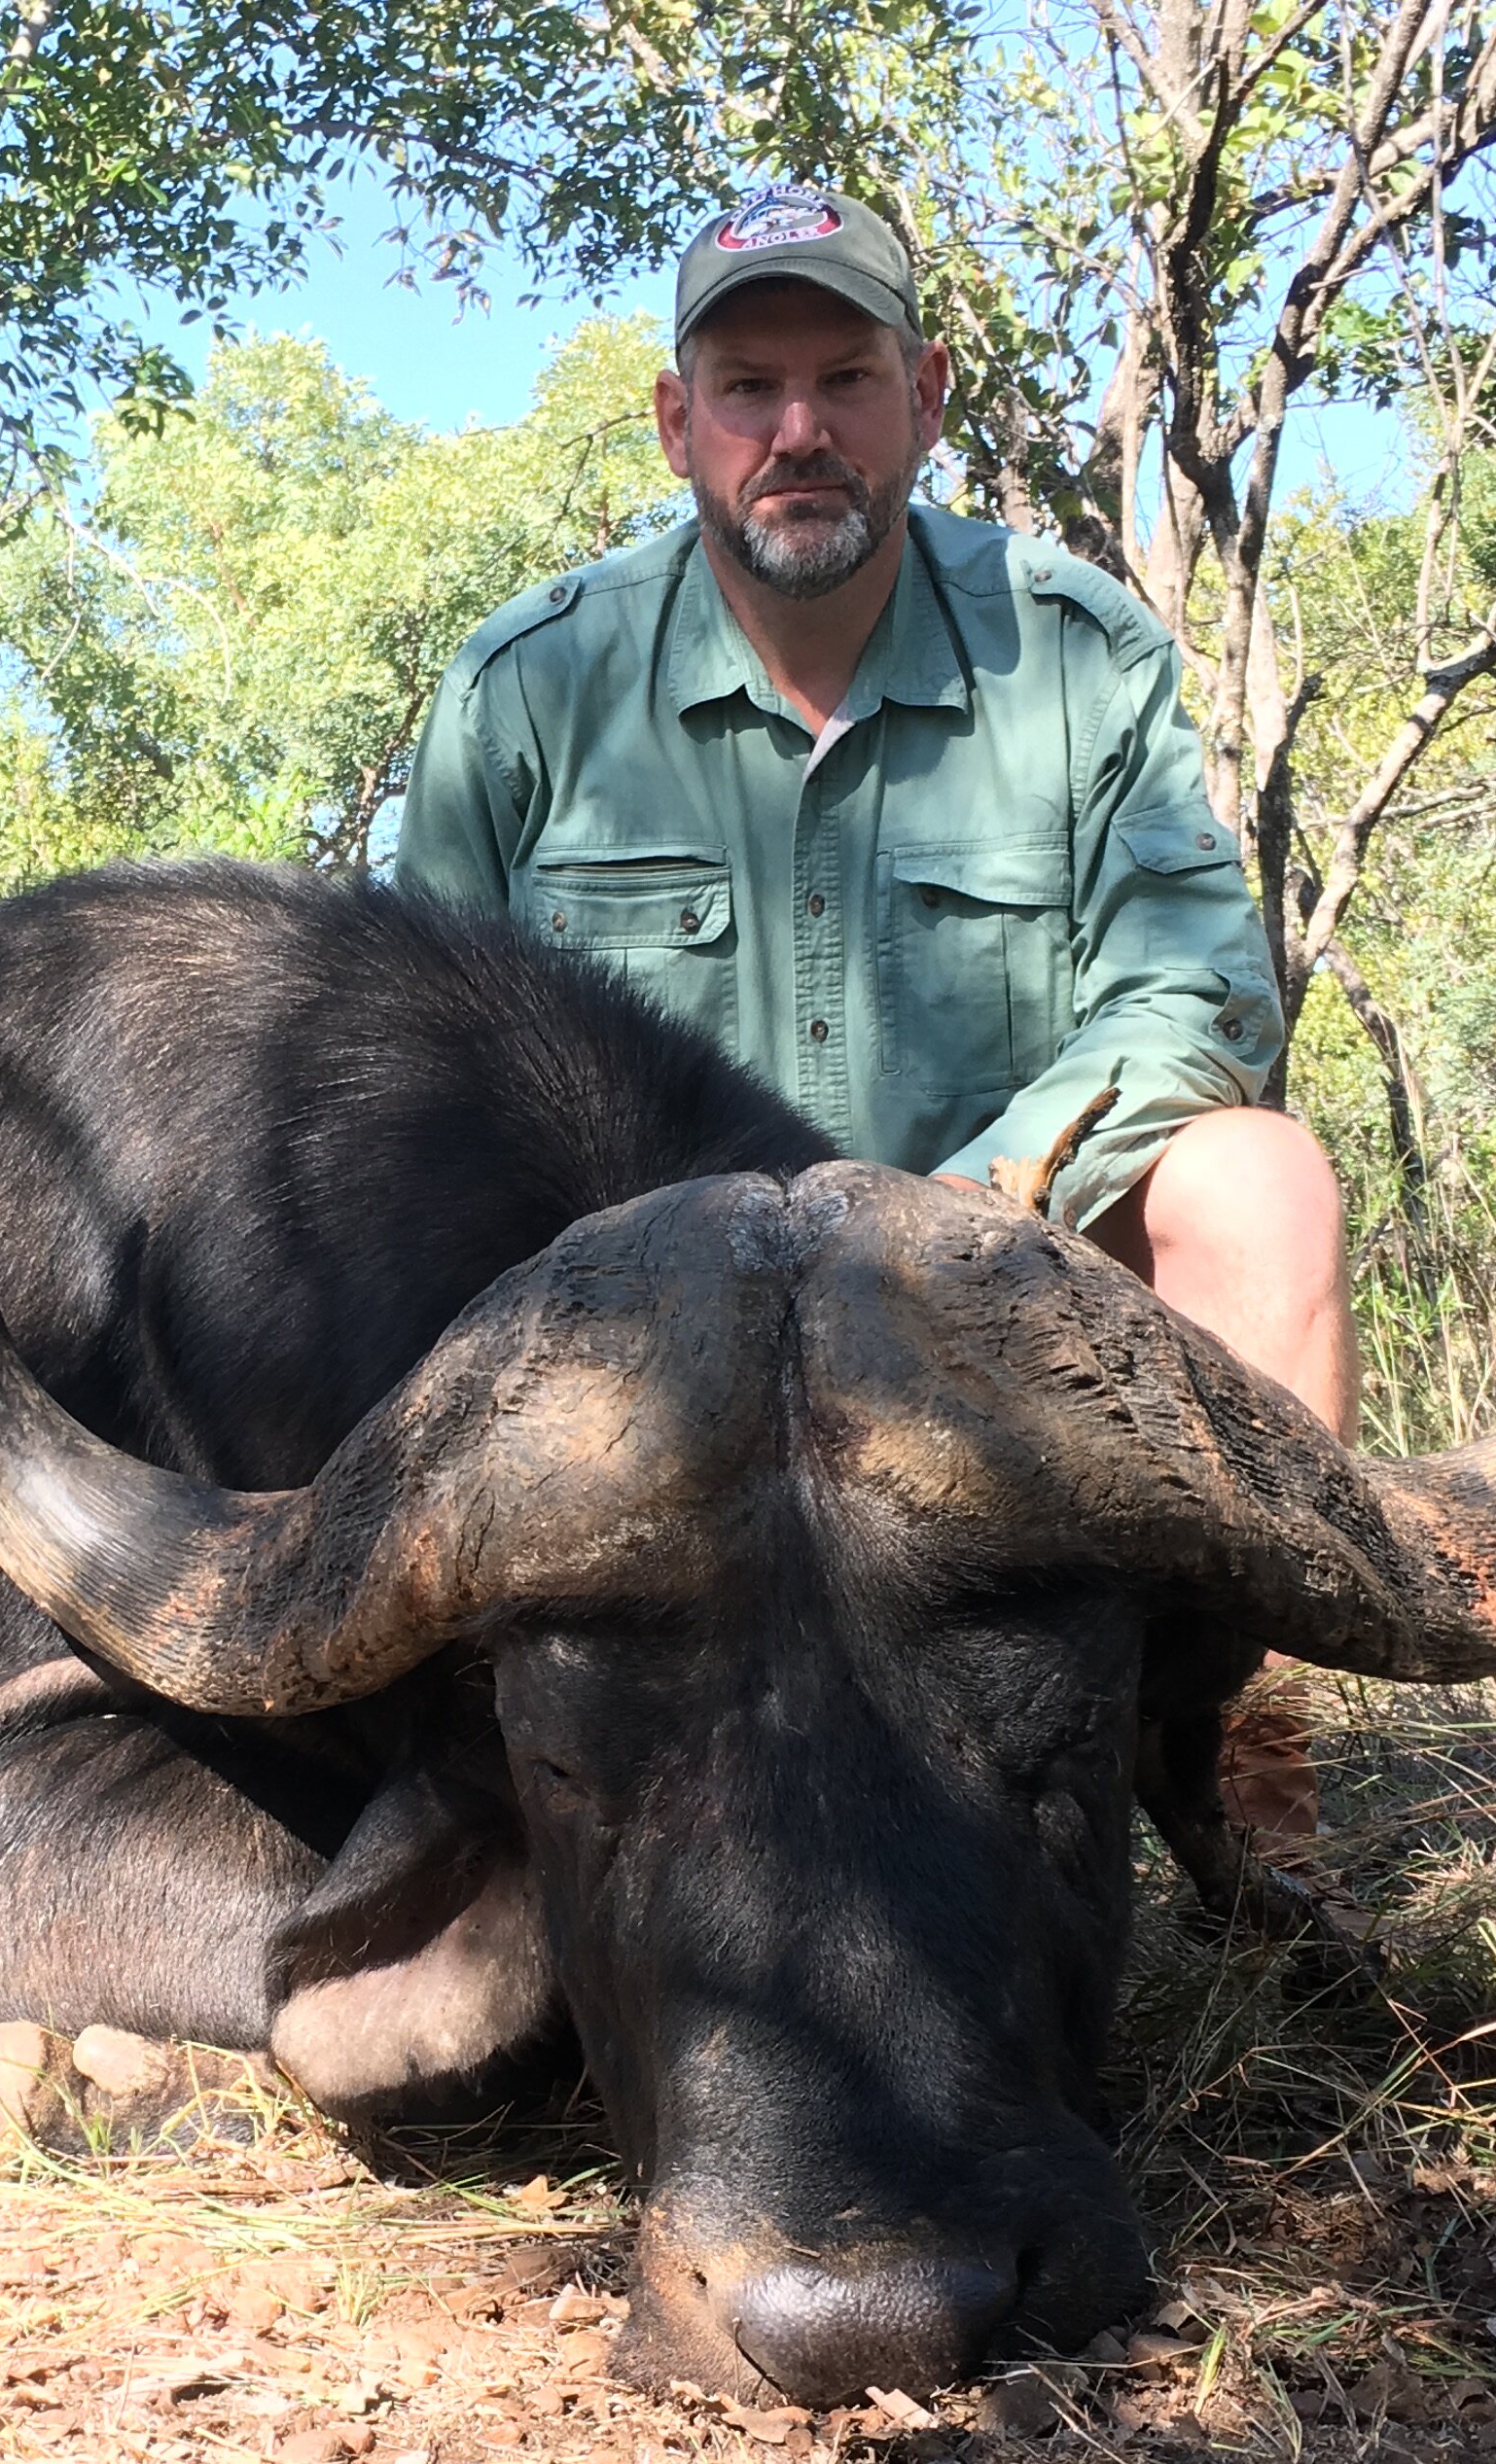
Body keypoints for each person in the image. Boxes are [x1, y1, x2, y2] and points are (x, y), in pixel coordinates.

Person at [393, 181, 1347, 1854]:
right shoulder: (531, 685)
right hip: (640, 1360)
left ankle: (1233, 1772)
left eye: (846, 377)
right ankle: (494, 1788)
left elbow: (1196, 985)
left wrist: (960, 1214)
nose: (799, 428)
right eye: (750, 387)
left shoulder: (1075, 649)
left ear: (930, 395)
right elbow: (405, 1075)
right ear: (680, 420)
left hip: (999, 1295)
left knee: (1260, 1181)